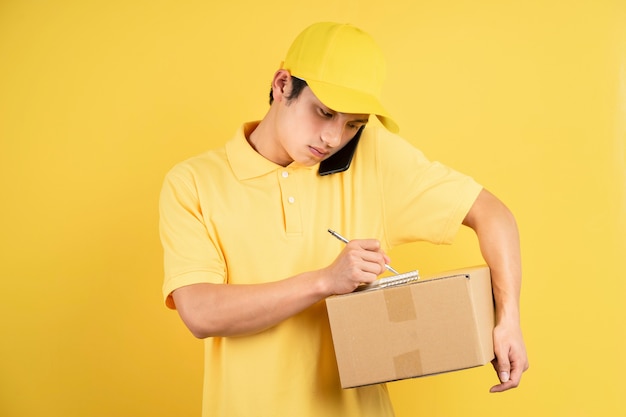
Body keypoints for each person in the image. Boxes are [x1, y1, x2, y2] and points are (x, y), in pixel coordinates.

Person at [160, 21, 529, 417]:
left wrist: (508, 318)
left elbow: (494, 214)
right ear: (283, 85)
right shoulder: (193, 182)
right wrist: (325, 281)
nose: (335, 138)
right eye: (325, 113)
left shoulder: (374, 157)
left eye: (354, 124)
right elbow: (199, 312)